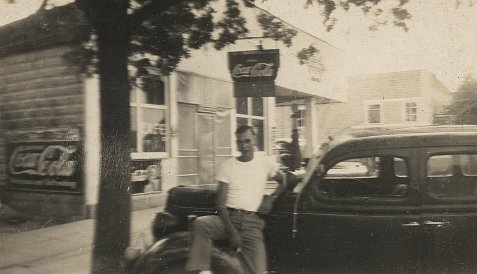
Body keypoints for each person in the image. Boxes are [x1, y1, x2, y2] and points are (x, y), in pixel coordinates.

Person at [185, 125, 292, 274]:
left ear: (254, 139)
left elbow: (284, 180)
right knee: (200, 224)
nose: (244, 146)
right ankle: (203, 271)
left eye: (247, 141)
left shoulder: (265, 162)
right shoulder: (228, 166)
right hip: (229, 218)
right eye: (240, 142)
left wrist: (271, 199)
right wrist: (231, 232)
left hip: (252, 223)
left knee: (259, 271)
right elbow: (220, 204)